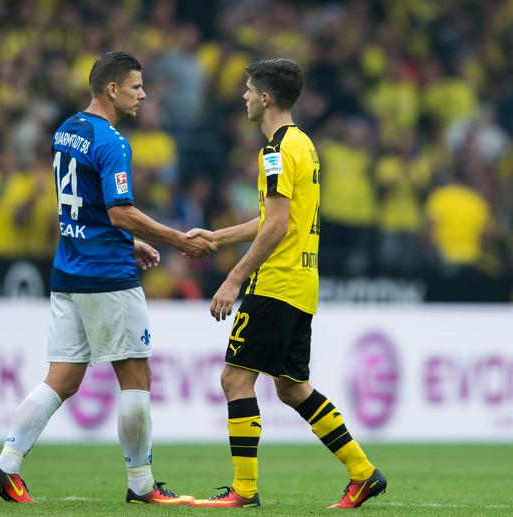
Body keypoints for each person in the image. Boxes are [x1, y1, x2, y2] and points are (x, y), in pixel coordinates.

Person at [0, 51, 215, 505]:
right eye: (136, 86)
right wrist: (177, 240)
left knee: (63, 379)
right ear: (112, 89)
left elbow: (80, 209)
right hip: (107, 278)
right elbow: (119, 211)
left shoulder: (66, 130)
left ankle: (6, 465)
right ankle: (142, 484)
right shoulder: (112, 142)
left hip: (68, 271)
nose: (143, 94)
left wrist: (128, 242)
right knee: (136, 375)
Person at [187, 59, 387, 509]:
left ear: (265, 98)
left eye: (247, 89)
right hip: (302, 282)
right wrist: (218, 236)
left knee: (235, 380)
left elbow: (276, 227)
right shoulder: (305, 145)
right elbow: (276, 218)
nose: (242, 96)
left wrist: (233, 278)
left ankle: (244, 490)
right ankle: (363, 472)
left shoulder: (275, 150)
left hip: (274, 281)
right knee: (291, 387)